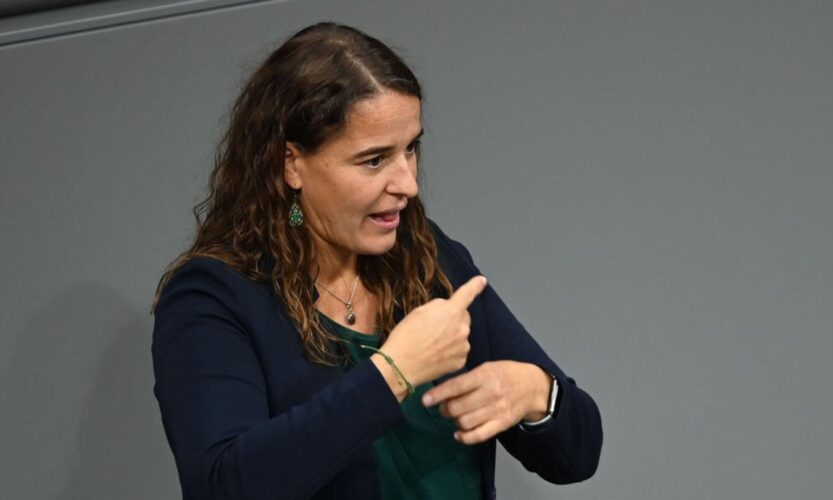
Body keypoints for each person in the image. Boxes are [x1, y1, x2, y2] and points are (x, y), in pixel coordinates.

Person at [151, 22, 602, 500]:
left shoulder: (429, 258)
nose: (407, 183)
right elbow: (225, 486)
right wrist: (394, 372)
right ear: (291, 164)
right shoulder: (212, 297)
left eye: (411, 149)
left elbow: (579, 453)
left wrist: (534, 393)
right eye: (374, 160)